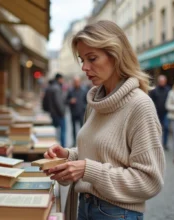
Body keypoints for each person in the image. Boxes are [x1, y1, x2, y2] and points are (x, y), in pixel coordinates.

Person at [44, 20, 165, 220]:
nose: (84, 67)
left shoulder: (139, 105)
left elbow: (149, 181)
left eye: (92, 58)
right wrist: (67, 156)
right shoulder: (95, 102)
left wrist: (87, 169)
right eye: (82, 59)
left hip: (117, 213)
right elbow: (99, 155)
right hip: (84, 205)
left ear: (116, 55)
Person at [150, 75, 171, 150]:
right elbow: (151, 100)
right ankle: (156, 143)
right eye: (161, 81)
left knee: (166, 127)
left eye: (163, 81)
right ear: (159, 82)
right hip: (156, 112)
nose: (162, 82)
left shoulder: (168, 90)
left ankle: (164, 143)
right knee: (156, 128)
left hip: (166, 112)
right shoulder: (154, 90)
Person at [66, 76, 87, 146]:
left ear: (80, 82)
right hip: (73, 113)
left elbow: (87, 102)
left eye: (77, 82)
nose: (76, 83)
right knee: (73, 129)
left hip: (81, 113)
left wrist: (83, 107)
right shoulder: (70, 91)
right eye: (75, 82)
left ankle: (81, 142)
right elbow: (66, 101)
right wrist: (70, 101)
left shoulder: (84, 90)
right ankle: (74, 142)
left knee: (82, 129)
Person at [47, 73, 66, 148]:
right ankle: (62, 148)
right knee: (62, 132)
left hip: (53, 113)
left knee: (56, 132)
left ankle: (56, 147)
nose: (63, 81)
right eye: (62, 79)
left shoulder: (51, 87)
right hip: (59, 114)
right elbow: (58, 103)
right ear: (59, 79)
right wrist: (62, 113)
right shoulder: (57, 88)